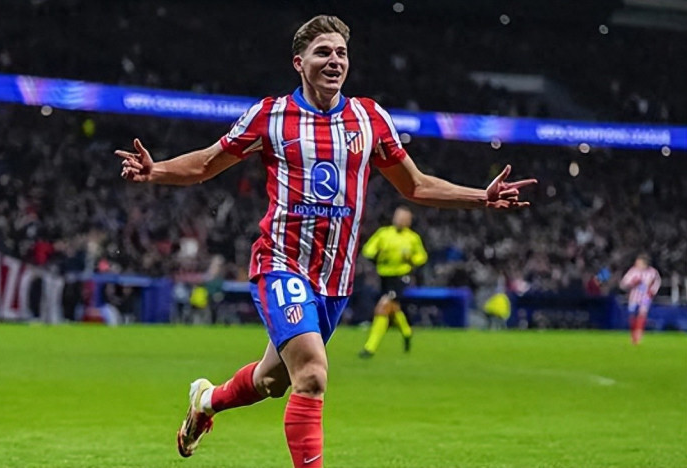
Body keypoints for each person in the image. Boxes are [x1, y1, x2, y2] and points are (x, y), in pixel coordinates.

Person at [115, 15, 536, 468]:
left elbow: (414, 185)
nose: (334, 60)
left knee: (273, 381)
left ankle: (206, 401)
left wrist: (481, 197)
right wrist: (156, 171)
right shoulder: (271, 115)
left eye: (341, 53)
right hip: (280, 263)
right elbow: (206, 163)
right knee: (313, 374)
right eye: (323, 52)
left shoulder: (369, 119)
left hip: (334, 282)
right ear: (299, 63)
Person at [359, 206, 427, 358]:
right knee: (393, 308)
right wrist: (378, 253)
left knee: (382, 308)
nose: (400, 220)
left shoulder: (412, 238)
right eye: (398, 217)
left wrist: (411, 258)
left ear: (409, 221)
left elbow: (421, 257)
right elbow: (368, 250)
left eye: (404, 218)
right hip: (384, 276)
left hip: (401, 276)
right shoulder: (383, 233)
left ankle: (370, 348)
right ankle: (407, 332)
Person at [619, 254, 661, 345]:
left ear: (645, 263)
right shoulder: (633, 271)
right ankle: (633, 334)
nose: (637, 264)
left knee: (642, 313)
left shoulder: (653, 272)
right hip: (634, 297)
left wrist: (652, 291)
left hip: (646, 297)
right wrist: (632, 283)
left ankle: (639, 333)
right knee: (632, 314)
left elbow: (657, 283)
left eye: (639, 262)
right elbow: (623, 284)